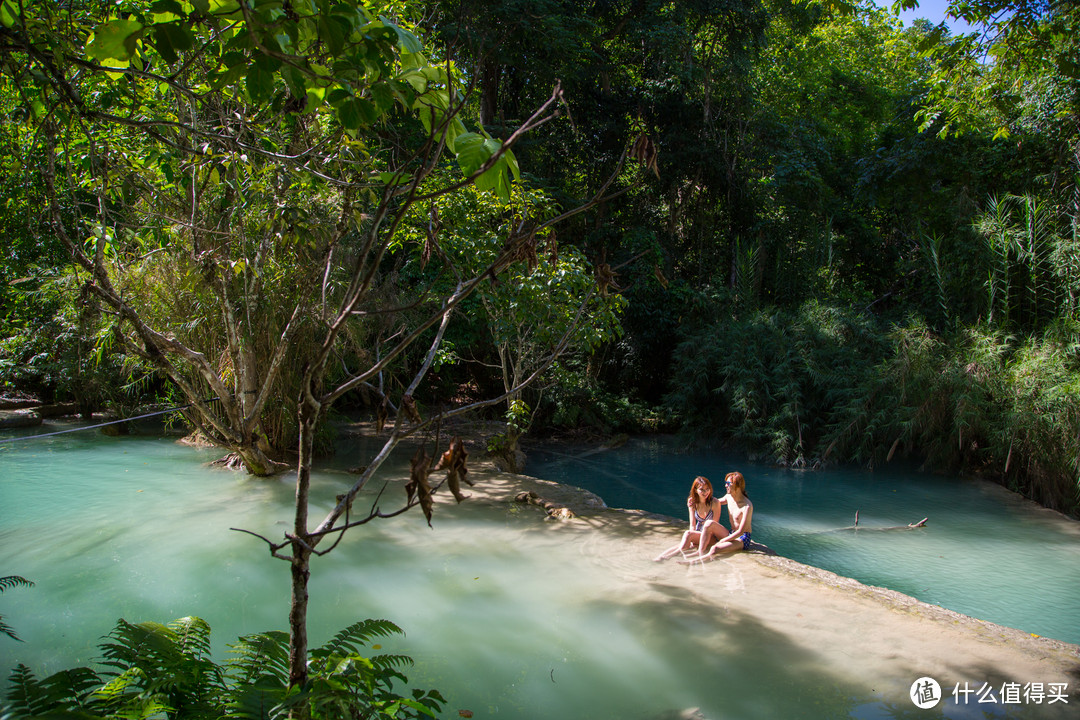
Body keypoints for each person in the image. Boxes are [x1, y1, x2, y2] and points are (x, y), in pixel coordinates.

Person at [679, 471, 752, 563]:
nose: (726, 485)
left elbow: (741, 531)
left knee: (715, 548)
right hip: (731, 533)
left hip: (742, 538)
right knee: (709, 523)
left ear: (737, 485)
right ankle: (699, 552)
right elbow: (711, 503)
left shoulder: (747, 506)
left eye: (728, 483)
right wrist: (694, 501)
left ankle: (696, 561)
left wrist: (723, 541)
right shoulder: (728, 497)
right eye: (726, 483)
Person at [653, 476, 722, 562]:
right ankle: (662, 556)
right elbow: (692, 525)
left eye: (707, 489)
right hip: (698, 532)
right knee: (685, 539)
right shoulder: (692, 502)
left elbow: (714, 525)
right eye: (702, 489)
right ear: (695, 490)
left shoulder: (715, 503)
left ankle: (670, 557)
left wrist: (692, 536)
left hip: (711, 536)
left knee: (688, 535)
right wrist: (692, 536)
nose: (705, 492)